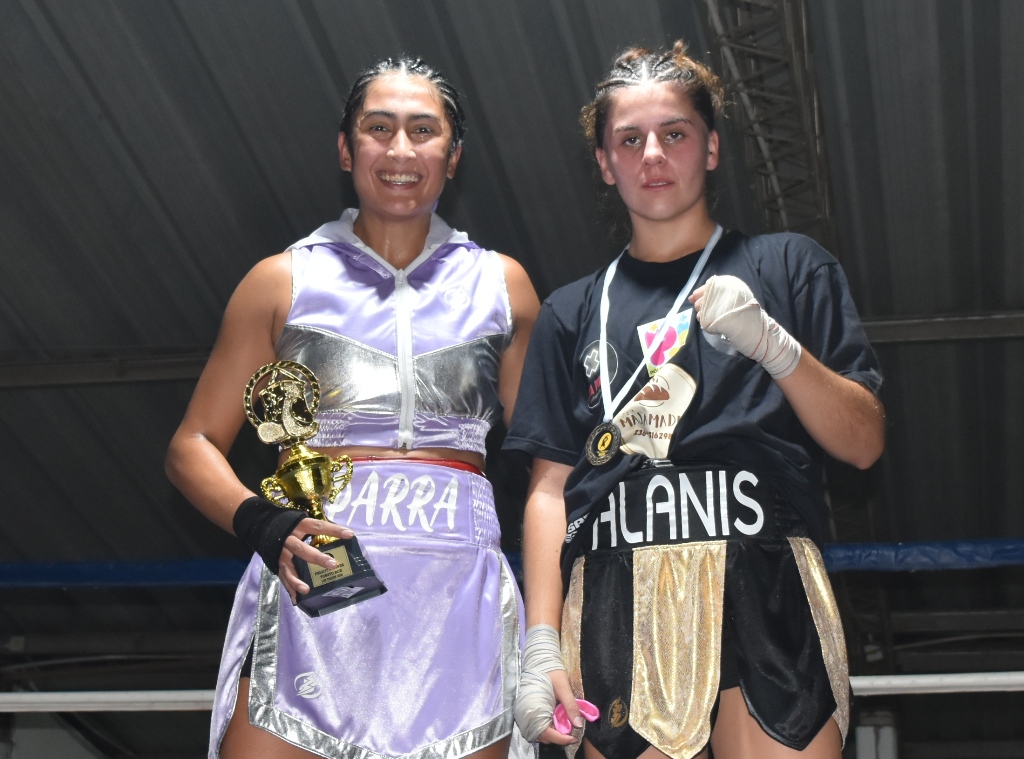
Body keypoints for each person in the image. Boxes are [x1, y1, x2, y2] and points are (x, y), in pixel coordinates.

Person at [505, 42, 885, 759]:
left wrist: (776, 347)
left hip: (764, 571)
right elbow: (550, 487)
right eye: (630, 139)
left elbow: (864, 441)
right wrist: (542, 640)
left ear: (710, 148)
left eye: (674, 133)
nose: (652, 154)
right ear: (604, 162)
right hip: (617, 585)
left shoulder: (788, 266)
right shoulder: (569, 310)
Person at [166, 56, 539, 759]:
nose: (401, 149)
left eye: (422, 130)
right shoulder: (280, 281)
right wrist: (265, 522)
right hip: (316, 578)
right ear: (347, 149)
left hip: (457, 599)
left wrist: (554, 622)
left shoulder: (503, 286)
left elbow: (555, 465)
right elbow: (192, 444)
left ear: (453, 156)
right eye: (379, 128)